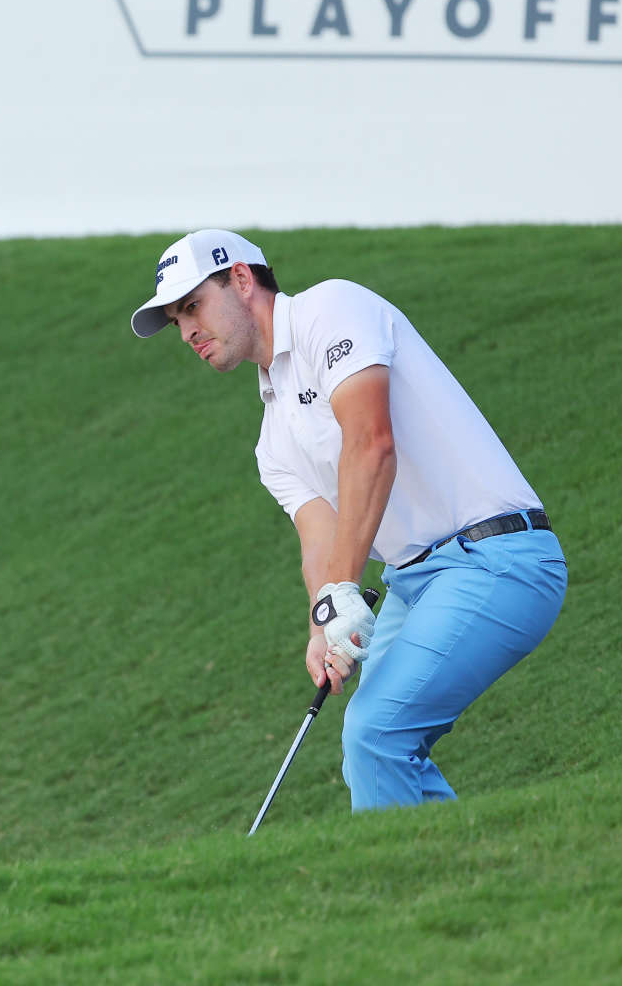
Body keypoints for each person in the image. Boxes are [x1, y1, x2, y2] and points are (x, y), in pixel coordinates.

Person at [128, 229, 567, 810]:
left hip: (497, 556)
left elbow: (372, 443)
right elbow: (321, 536)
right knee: (368, 750)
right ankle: (462, 879)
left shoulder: (329, 309)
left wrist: (339, 593)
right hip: (416, 583)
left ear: (240, 279)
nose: (187, 332)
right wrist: (322, 622)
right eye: (176, 322)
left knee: (377, 734)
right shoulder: (272, 442)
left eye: (192, 307)